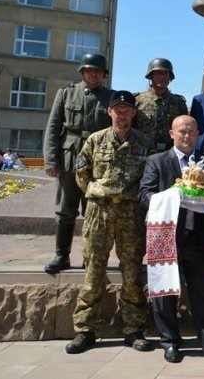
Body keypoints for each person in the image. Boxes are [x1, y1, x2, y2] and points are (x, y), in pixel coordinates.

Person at [138, 115, 204, 364]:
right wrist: (175, 195)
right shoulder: (157, 162)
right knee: (165, 293)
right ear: (171, 133)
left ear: (198, 134)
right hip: (169, 238)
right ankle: (171, 343)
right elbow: (144, 195)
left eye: (192, 132)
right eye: (182, 131)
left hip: (199, 238)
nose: (187, 136)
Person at [64, 91, 153, 355]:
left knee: (132, 272)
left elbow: (148, 177)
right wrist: (98, 191)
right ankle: (85, 329)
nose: (122, 113)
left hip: (130, 214)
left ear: (134, 113)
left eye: (127, 109)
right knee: (93, 270)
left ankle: (133, 329)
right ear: (110, 112)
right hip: (99, 212)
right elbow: (82, 173)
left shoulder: (144, 143)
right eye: (118, 108)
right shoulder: (95, 140)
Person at [43, 53, 113, 274]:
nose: (93, 74)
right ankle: (61, 255)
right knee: (65, 210)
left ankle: (90, 258)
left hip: (99, 160)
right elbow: (53, 128)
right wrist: (51, 159)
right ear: (83, 72)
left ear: (103, 74)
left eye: (98, 71)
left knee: (94, 212)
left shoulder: (111, 97)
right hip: (70, 157)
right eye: (89, 70)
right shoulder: (66, 93)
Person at [133, 58, 188, 153]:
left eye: (165, 73)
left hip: (169, 154)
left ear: (170, 77)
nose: (162, 77)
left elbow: (185, 130)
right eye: (158, 73)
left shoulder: (178, 103)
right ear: (151, 76)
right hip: (142, 154)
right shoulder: (137, 101)